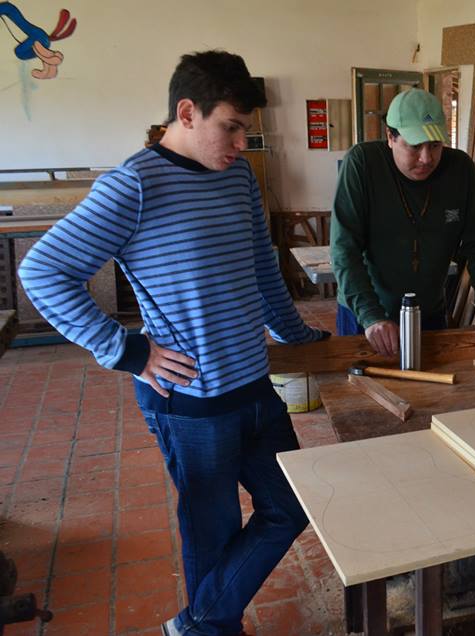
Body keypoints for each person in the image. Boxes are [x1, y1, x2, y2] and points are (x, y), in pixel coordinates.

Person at [18, 50, 327, 636]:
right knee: (210, 533)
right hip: (189, 402)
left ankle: (199, 622)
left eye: (246, 130)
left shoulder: (237, 175)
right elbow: (42, 273)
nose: (240, 143)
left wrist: (298, 335)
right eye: (230, 127)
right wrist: (128, 351)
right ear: (186, 113)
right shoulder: (133, 185)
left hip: (255, 388)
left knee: (291, 506)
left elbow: (262, 267)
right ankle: (212, 628)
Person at [330, 88, 475, 355]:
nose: (427, 158)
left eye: (435, 145)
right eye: (415, 146)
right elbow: (344, 249)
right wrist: (371, 315)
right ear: (390, 137)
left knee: (433, 393)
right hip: (366, 315)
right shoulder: (362, 165)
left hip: (428, 313)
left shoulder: (460, 170)